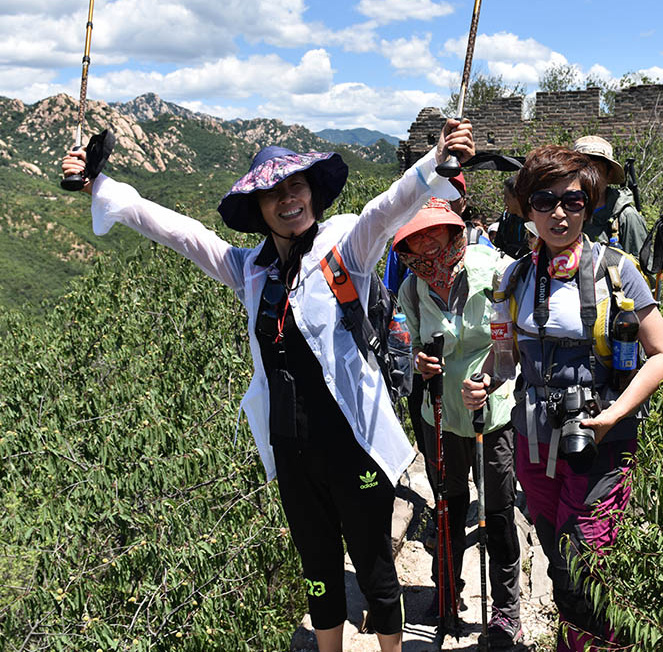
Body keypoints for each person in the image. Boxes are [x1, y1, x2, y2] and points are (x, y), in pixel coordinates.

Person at [60, 119, 475, 652]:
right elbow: (181, 232)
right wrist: (100, 185)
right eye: (272, 194)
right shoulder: (249, 271)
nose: (286, 200)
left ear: (313, 192)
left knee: (374, 569)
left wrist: (434, 158)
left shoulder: (346, 249)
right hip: (292, 449)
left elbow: (385, 209)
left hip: (355, 448)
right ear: (257, 209)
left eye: (295, 187)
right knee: (318, 569)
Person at [462, 145, 663, 651]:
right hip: (534, 443)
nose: (559, 213)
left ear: (591, 205)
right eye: (545, 200)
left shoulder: (618, 271)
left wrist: (614, 415)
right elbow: (504, 358)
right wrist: (484, 380)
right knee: (561, 563)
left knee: (580, 564)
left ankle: (605, 643)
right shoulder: (513, 278)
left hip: (599, 443)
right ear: (527, 208)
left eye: (573, 201)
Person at [392, 199, 522, 647]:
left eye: (433, 237)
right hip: (440, 413)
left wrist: (492, 379)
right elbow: (409, 344)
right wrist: (421, 363)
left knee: (499, 512)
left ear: (453, 233)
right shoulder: (412, 288)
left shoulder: (498, 272)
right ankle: (446, 594)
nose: (426, 250)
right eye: (415, 243)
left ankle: (505, 609)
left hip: (493, 413)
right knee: (446, 506)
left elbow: (514, 342)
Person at [572, 136, 648, 257]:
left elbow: (641, 271)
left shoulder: (626, 217)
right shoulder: (565, 213)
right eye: (582, 169)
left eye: (595, 170)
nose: (588, 177)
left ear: (609, 174)